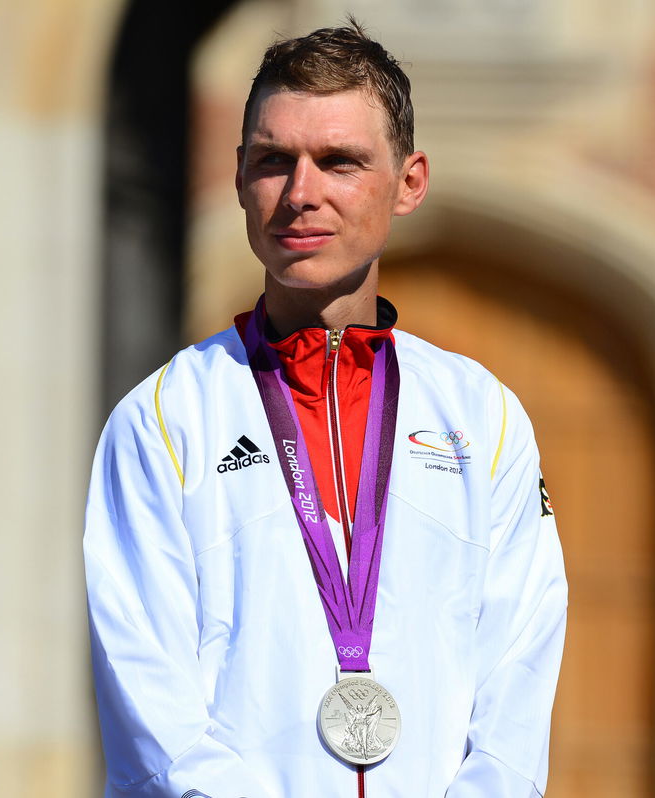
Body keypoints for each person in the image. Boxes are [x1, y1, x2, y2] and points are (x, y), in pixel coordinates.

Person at [84, 19, 567, 798]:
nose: (301, 194)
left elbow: (520, 667)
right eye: (275, 161)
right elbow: (148, 696)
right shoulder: (166, 418)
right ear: (240, 176)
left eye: (339, 162)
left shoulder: (483, 417)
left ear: (409, 182)